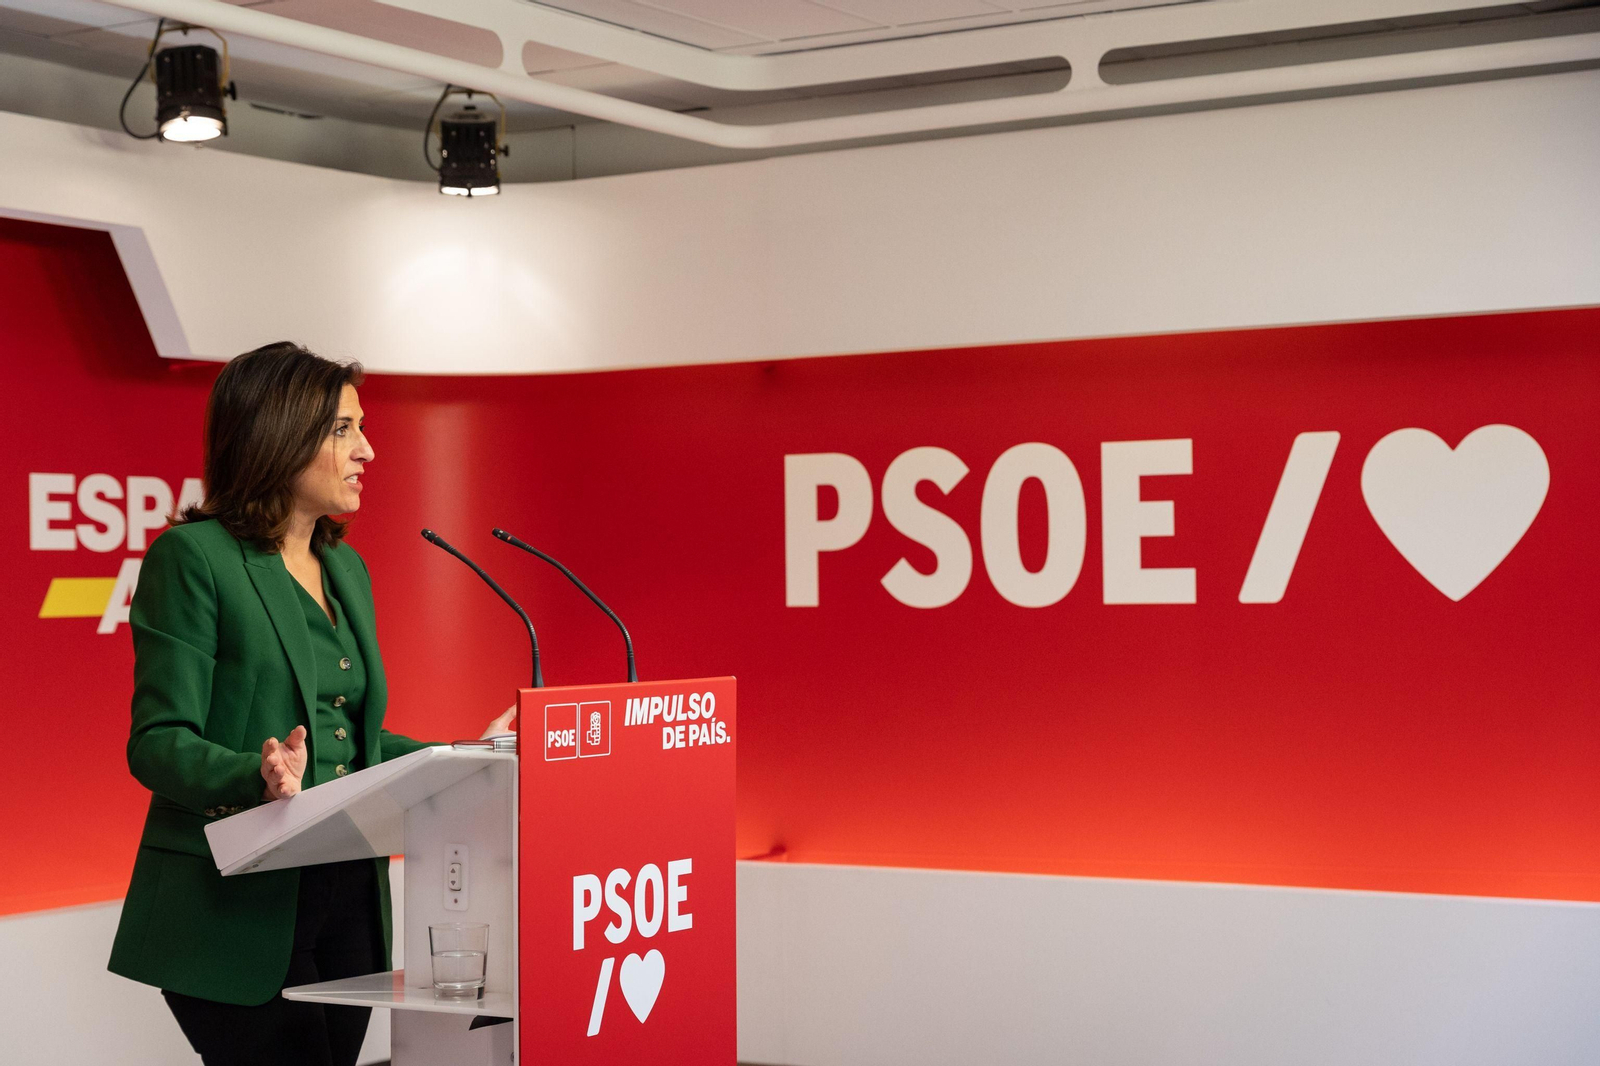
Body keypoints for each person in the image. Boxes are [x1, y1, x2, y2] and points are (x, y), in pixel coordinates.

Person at [107, 342, 515, 1066]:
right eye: (344, 430)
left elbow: (352, 741)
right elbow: (158, 740)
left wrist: (464, 759)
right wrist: (254, 775)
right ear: (281, 435)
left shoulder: (345, 567)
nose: (368, 450)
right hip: (234, 907)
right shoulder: (194, 558)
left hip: (346, 893)